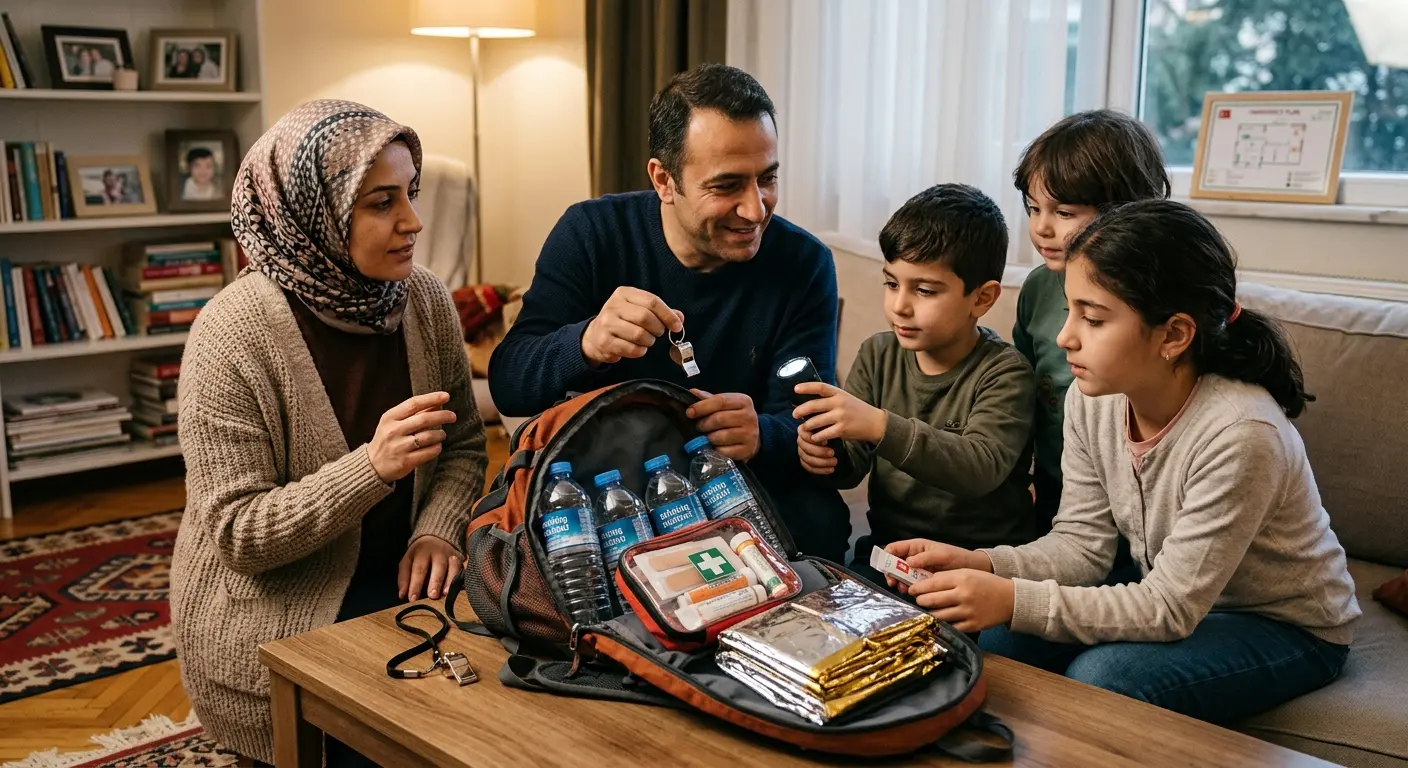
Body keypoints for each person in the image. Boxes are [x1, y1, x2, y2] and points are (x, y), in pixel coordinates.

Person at [883, 200, 1359, 725]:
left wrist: (1014, 597)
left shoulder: (1242, 433)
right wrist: (984, 563)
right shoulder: (1093, 396)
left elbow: (1169, 607)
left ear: (1174, 336)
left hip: (1283, 625)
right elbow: (1082, 545)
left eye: (1093, 318)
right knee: (1002, 637)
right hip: (1181, 596)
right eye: (1070, 311)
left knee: (1106, 677)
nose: (1065, 337)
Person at [170, 99, 488, 767]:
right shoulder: (229, 336)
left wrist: (436, 527)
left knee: (527, 692)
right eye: (381, 203)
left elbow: (460, 445)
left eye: (411, 194)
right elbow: (237, 535)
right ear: (312, 214)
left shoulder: (423, 300)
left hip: (406, 583)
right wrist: (371, 468)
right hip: (281, 620)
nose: (413, 221)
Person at [488, 63, 852, 562]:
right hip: (610, 488)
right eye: (726, 186)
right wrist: (584, 344)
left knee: (821, 523)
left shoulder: (803, 263)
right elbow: (509, 382)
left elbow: (811, 425)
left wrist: (763, 434)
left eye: (766, 179)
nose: (755, 209)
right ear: (664, 180)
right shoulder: (592, 233)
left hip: (738, 485)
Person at [792, 184, 1037, 584]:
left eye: (924, 290)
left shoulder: (1005, 372)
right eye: (892, 284)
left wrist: (879, 425)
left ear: (982, 298)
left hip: (976, 567)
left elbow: (980, 467)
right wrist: (824, 455)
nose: (900, 305)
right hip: (889, 556)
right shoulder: (878, 354)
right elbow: (851, 467)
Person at [1012, 110, 1170, 533]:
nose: (1042, 228)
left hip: (1140, 497)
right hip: (1056, 483)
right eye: (1033, 208)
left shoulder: (1160, 305)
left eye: (1064, 212)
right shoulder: (1037, 290)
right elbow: (1023, 391)